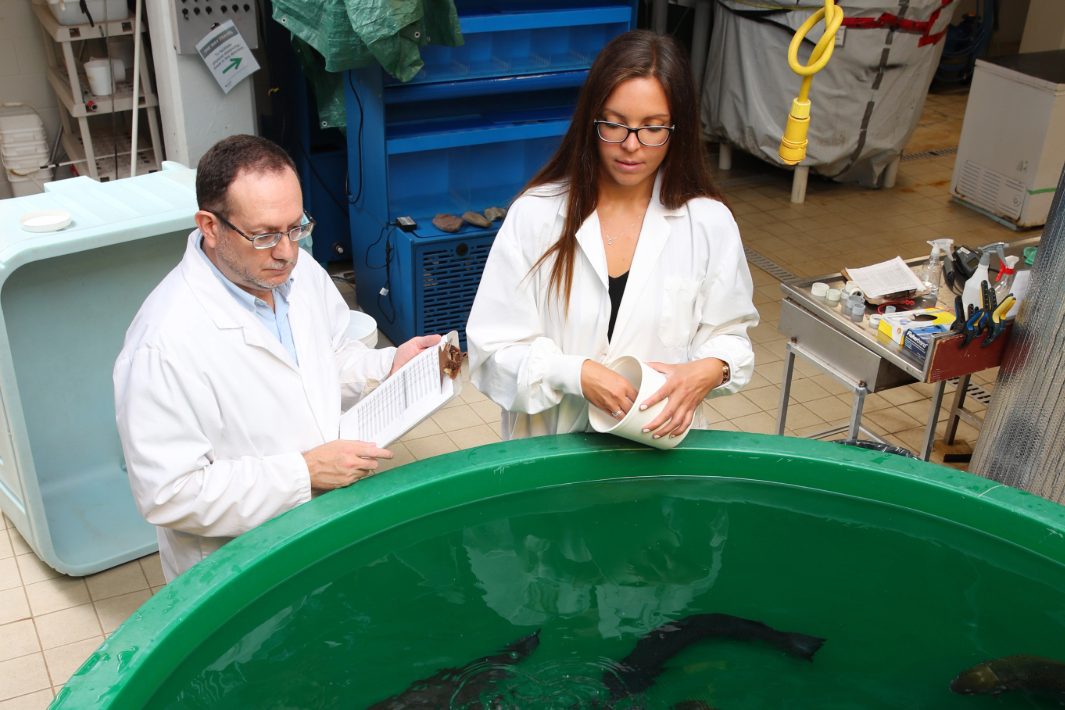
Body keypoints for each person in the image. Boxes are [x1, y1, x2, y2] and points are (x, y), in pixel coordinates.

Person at [113, 135, 439, 582]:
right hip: (241, 566)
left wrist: (387, 366)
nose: (286, 251)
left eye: (296, 227)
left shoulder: (298, 273)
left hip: (325, 532)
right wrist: (302, 472)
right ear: (209, 226)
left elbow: (329, 358)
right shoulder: (163, 343)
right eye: (264, 235)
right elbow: (168, 493)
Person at [466, 30, 758, 441]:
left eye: (653, 128)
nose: (631, 146)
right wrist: (575, 373)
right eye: (615, 125)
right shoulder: (536, 215)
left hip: (657, 447)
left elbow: (730, 335)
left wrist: (713, 368)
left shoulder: (708, 223)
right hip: (553, 454)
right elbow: (490, 353)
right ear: (591, 120)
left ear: (679, 129)